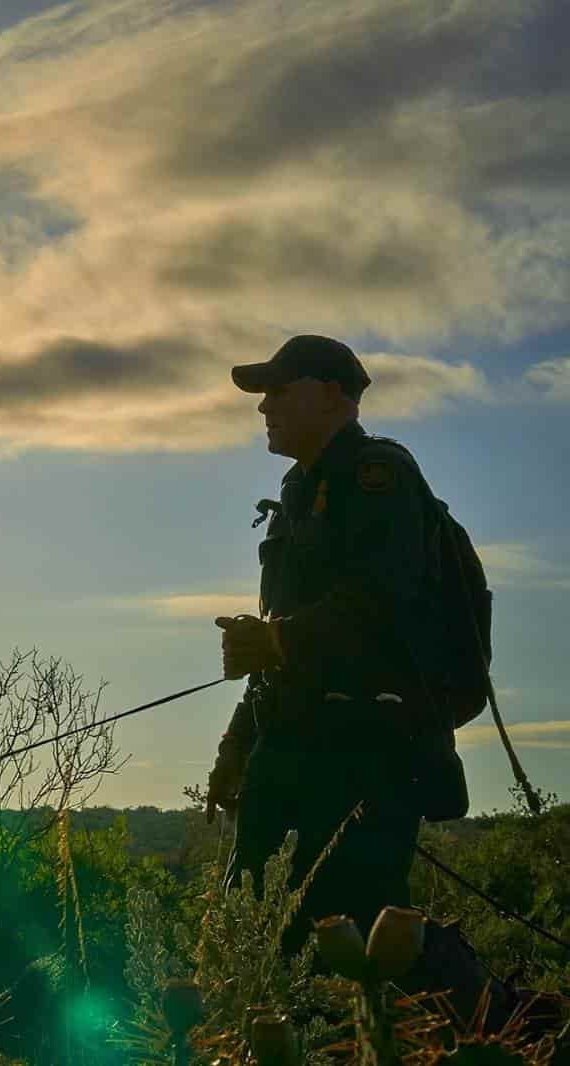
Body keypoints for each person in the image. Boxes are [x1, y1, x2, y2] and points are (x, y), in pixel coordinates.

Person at [206, 334, 516, 1025]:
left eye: (280, 390)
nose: (265, 407)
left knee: (366, 934)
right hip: (289, 750)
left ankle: (512, 1026)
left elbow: (383, 601)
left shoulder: (380, 477)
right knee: (260, 922)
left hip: (369, 747)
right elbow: (280, 646)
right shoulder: (298, 492)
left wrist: (278, 639)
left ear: (336, 396)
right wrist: (235, 749)